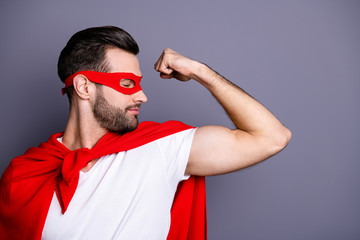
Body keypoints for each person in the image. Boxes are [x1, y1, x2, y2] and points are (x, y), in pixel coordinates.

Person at [0, 26, 291, 240]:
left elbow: (271, 137)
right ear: (84, 87)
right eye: (127, 84)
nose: (142, 96)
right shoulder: (23, 176)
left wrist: (200, 71)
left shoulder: (162, 148)